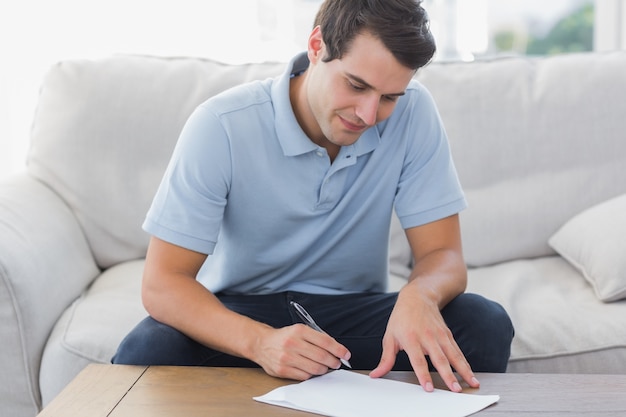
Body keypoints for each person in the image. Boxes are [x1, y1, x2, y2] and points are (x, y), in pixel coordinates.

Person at [113, 0, 514, 393]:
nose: (369, 115)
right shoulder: (221, 125)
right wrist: (260, 343)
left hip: (354, 313)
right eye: (356, 85)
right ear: (317, 46)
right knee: (147, 350)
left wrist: (420, 295)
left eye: (390, 97)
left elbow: (443, 254)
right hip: (243, 312)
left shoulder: (416, 114)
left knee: (482, 322)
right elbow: (163, 284)